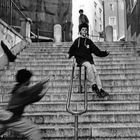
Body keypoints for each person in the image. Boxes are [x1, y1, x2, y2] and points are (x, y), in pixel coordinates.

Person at [0, 69, 50, 140]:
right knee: (33, 129)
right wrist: (42, 83)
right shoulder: (21, 89)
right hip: (11, 117)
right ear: (27, 80)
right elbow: (30, 91)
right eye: (29, 79)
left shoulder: (18, 88)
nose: (30, 81)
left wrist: (45, 89)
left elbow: (35, 98)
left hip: (6, 117)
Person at [68, 23, 109, 99]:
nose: (84, 31)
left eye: (86, 30)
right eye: (83, 30)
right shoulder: (77, 41)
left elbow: (96, 51)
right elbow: (72, 50)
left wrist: (104, 53)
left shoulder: (89, 41)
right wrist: (69, 55)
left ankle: (100, 89)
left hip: (89, 59)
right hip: (81, 60)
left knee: (95, 72)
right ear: (80, 31)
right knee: (89, 66)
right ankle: (93, 85)